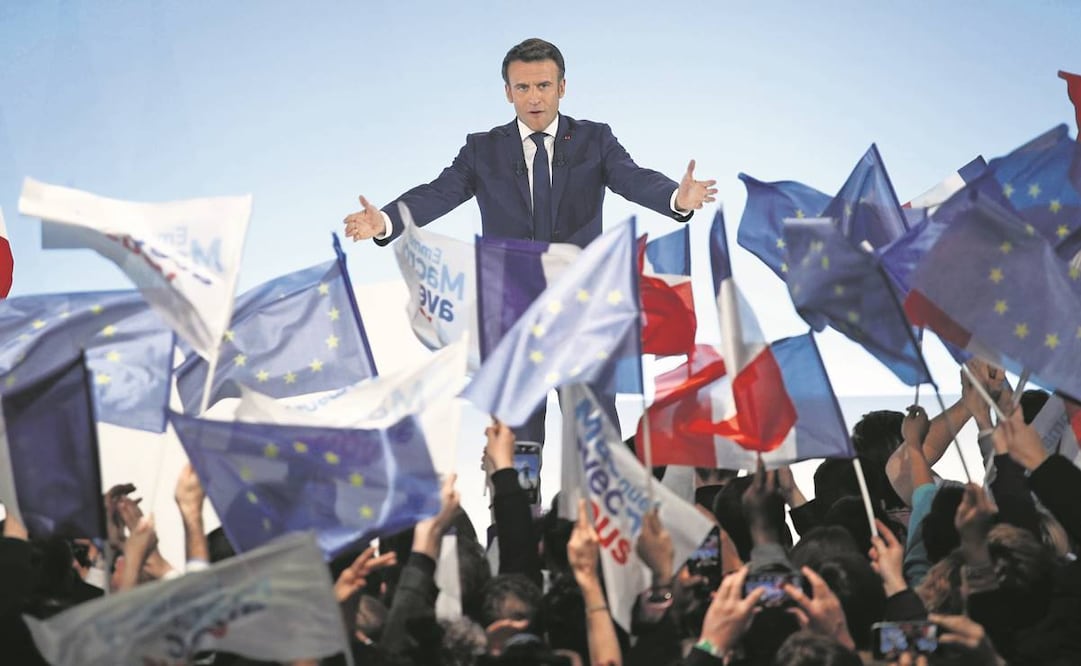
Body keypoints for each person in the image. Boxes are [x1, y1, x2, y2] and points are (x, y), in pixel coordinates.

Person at [342, 37, 716, 248]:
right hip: (512, 303)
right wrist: (387, 220)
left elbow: (633, 179)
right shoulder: (481, 150)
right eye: (523, 87)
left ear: (562, 88)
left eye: (543, 86)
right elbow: (437, 193)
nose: (534, 98)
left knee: (586, 392)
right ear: (508, 92)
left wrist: (676, 199)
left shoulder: (594, 139)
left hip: (582, 300)